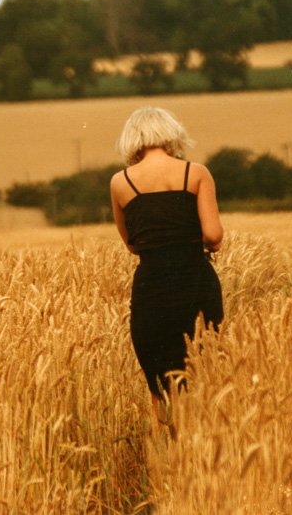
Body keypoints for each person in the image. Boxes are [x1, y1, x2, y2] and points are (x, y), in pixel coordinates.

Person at [109, 106, 224, 434]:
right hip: (195, 280)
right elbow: (213, 236)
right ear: (171, 133)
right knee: (203, 371)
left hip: (152, 288)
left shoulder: (121, 183)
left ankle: (166, 450)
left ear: (133, 140)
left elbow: (131, 244)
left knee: (160, 383)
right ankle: (202, 450)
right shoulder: (196, 173)